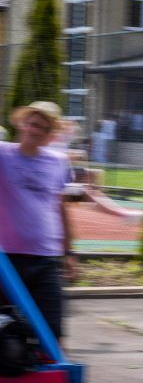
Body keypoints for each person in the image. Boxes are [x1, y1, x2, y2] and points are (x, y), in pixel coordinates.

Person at [0, 101, 76, 341]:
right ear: (22, 125)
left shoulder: (58, 161)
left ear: (49, 135)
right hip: (7, 260)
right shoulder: (3, 154)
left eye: (43, 128)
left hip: (45, 258)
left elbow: (61, 207)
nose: (35, 130)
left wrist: (69, 252)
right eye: (32, 124)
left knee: (52, 329)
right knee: (6, 331)